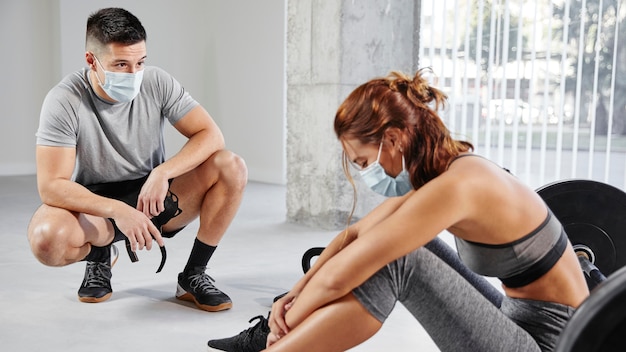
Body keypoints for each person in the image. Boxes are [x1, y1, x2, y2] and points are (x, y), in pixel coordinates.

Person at [209, 69, 589, 352]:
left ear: (391, 138)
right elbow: (356, 235)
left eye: (362, 162)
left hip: (553, 344)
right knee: (396, 247)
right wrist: (293, 294)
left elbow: (347, 274)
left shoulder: (459, 185)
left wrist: (284, 320)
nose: (365, 173)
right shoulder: (450, 168)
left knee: (398, 260)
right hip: (519, 317)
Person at [27, 7, 247, 312]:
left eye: (139, 62)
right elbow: (51, 186)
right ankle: (100, 255)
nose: (133, 74)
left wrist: (162, 173)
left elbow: (211, 135)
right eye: (120, 64)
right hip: (98, 205)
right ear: (92, 60)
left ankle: (193, 274)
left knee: (231, 166)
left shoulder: (156, 82)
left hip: (154, 198)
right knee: (46, 241)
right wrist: (118, 211)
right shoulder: (64, 100)